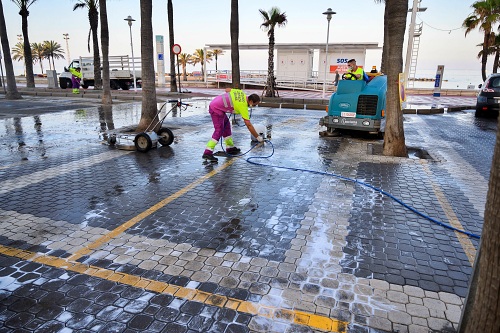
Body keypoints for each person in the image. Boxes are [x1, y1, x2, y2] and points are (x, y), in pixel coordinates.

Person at [202, 88, 263, 163]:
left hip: (218, 105)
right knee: (219, 130)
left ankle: (230, 148)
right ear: (250, 101)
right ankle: (207, 152)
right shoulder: (243, 106)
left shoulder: (241, 93)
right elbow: (248, 125)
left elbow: (227, 90)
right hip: (215, 108)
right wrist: (257, 137)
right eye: (254, 105)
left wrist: (229, 104)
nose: (254, 106)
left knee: (226, 127)